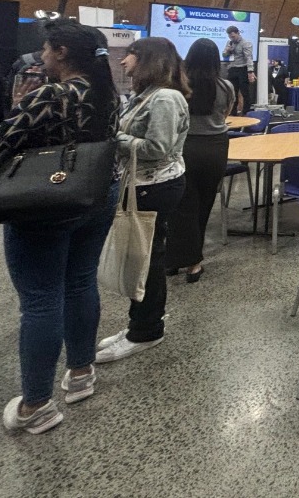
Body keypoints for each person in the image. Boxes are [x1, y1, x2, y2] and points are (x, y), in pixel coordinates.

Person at [0, 22, 119, 435]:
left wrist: (17, 107)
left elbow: (2, 145)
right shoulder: (106, 94)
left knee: (41, 301)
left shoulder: (51, 95)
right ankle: (81, 373)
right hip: (95, 198)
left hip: (44, 204)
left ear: (62, 52)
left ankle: (37, 404)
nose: (41, 57)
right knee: (81, 282)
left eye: (46, 49)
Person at [96, 37, 190, 365]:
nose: (123, 62)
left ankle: (147, 330)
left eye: (130, 55)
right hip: (142, 184)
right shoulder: (145, 95)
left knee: (147, 260)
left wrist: (113, 137)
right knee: (142, 258)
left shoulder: (165, 97)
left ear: (147, 59)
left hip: (156, 185)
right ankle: (140, 322)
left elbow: (156, 148)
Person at [166, 38, 234, 283]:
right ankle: (193, 264)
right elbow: (226, 114)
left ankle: (173, 261)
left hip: (185, 147)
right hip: (215, 148)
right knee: (204, 205)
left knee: (180, 206)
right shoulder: (225, 86)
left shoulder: (177, 86)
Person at [220, 26, 255, 113]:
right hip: (232, 69)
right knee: (232, 92)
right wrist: (228, 50)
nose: (231, 38)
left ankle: (246, 112)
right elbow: (224, 55)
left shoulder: (246, 43)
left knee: (244, 92)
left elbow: (249, 58)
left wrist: (250, 72)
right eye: (230, 37)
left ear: (238, 33)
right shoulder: (229, 42)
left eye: (233, 36)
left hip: (242, 69)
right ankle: (232, 112)